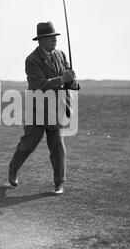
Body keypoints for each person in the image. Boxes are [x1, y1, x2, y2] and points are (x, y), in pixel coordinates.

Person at [8, 21, 79, 195]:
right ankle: (13, 170)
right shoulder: (32, 60)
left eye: (54, 37)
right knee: (28, 145)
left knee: (57, 146)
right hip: (37, 109)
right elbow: (39, 84)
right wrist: (62, 79)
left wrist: (72, 81)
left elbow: (70, 80)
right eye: (49, 38)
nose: (53, 41)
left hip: (57, 109)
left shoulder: (61, 55)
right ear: (40, 40)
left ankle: (59, 182)